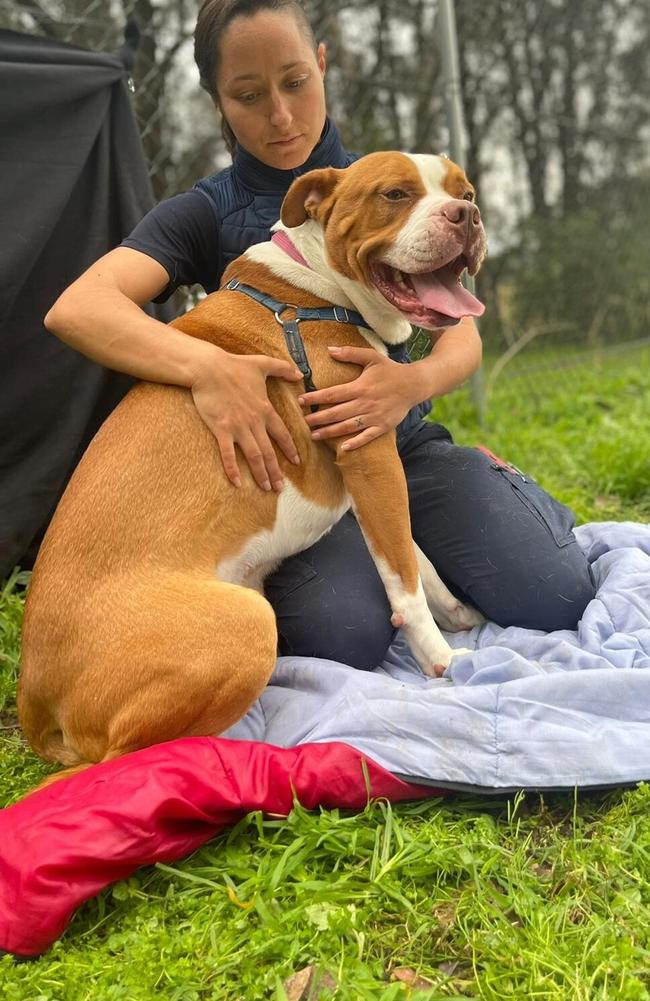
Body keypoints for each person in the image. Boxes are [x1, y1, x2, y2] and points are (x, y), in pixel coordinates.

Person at [44, 0, 595, 670]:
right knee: (343, 634)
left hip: (407, 442)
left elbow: (462, 333)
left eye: (295, 82)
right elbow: (79, 307)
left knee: (556, 590)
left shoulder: (390, 180)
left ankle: (490, 505)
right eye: (248, 95)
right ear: (216, 96)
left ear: (323, 64)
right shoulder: (204, 210)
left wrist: (409, 382)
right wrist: (208, 368)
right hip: (304, 471)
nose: (279, 114)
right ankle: (399, 555)